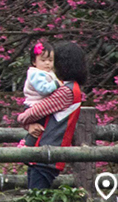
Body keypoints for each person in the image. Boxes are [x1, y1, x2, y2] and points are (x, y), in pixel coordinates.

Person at [17, 41, 89, 190]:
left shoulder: (66, 91)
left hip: (46, 154)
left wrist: (22, 120)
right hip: (47, 154)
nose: (51, 64)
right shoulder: (70, 88)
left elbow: (35, 112)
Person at [24, 41, 60, 108]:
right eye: (43, 60)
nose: (47, 63)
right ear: (34, 62)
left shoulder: (49, 72)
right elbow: (43, 89)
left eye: (50, 60)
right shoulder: (36, 74)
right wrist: (56, 84)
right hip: (34, 105)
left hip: (42, 105)